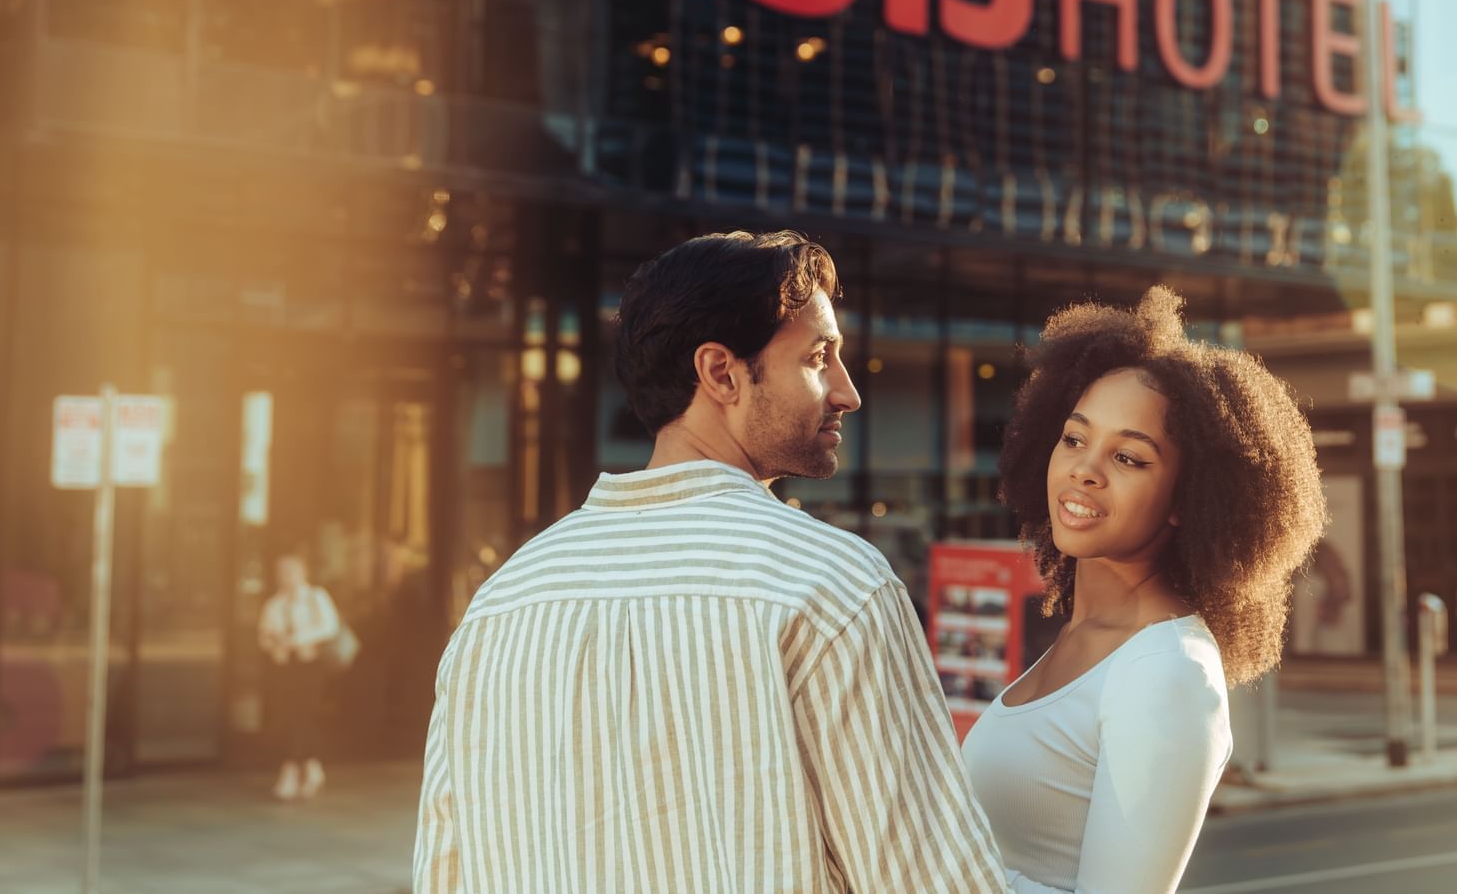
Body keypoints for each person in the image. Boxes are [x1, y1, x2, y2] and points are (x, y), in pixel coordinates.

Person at [414, 230, 1011, 892]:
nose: (847, 391)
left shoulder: (505, 599)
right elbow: (932, 879)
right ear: (721, 372)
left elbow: (445, 867)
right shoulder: (830, 584)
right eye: (819, 356)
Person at [961, 287, 1326, 894]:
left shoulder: (1167, 671)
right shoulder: (1086, 635)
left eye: (1129, 458)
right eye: (1075, 439)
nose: (1084, 469)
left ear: (1189, 499)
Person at [257, 552, 342, 801]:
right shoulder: (274, 604)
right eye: (282, 572)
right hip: (285, 668)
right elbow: (263, 636)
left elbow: (329, 627)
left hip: (311, 666)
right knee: (294, 716)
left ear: (303, 572)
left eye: (291, 571)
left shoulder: (316, 597)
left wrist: (295, 639)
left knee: (301, 714)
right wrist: (276, 645)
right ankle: (313, 768)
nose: (286, 577)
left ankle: (290, 770)